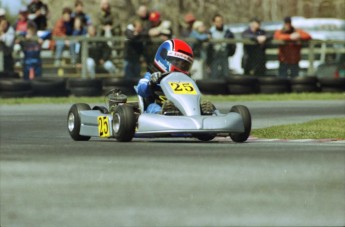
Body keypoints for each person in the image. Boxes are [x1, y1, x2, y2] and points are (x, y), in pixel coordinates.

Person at [137, 39, 194, 114]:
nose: (181, 66)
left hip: (181, 106)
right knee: (153, 107)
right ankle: (161, 114)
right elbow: (141, 89)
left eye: (185, 65)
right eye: (177, 62)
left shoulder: (184, 80)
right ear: (164, 57)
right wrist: (151, 82)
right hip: (158, 105)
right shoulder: (152, 74)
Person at [207, 14, 236, 79]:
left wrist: (231, 52)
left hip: (224, 55)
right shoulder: (210, 32)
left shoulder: (227, 31)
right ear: (214, 22)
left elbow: (233, 43)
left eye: (220, 21)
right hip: (214, 55)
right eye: (217, 21)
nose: (219, 23)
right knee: (214, 73)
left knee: (225, 73)